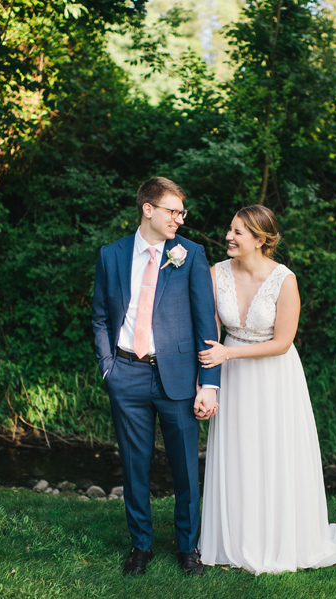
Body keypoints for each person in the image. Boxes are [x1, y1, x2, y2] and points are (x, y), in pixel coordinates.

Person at [196, 205, 336, 575]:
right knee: (238, 452)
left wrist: (230, 352)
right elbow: (209, 333)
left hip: (273, 377)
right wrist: (206, 382)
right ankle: (237, 539)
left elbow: (282, 342)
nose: (229, 236)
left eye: (238, 232)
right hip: (232, 376)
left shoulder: (284, 280)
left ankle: (279, 539)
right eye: (230, 229)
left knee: (273, 452)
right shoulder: (216, 273)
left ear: (260, 240)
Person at [92, 177, 219, 577]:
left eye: (182, 212)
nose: (179, 219)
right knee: (135, 465)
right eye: (173, 211)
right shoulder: (111, 255)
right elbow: (99, 317)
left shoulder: (190, 254)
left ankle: (188, 548)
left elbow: (205, 323)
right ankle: (140, 545)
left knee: (185, 467)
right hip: (125, 373)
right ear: (148, 209)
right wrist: (107, 367)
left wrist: (209, 381)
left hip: (178, 376)